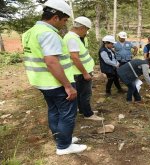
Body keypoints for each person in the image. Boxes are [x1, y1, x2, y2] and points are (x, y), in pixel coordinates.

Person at [22, 0, 87, 155]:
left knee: (54, 111)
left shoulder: (30, 32)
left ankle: (62, 139)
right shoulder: (48, 34)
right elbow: (51, 62)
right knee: (67, 114)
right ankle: (64, 146)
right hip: (56, 83)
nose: (64, 24)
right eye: (64, 20)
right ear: (55, 17)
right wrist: (68, 86)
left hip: (41, 82)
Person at [63, 16, 104, 121]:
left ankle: (83, 110)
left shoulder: (72, 37)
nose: (86, 32)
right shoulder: (72, 39)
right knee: (85, 94)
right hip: (80, 73)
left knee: (81, 93)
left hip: (79, 72)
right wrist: (85, 73)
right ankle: (88, 114)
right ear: (82, 28)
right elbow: (75, 58)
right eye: (86, 29)